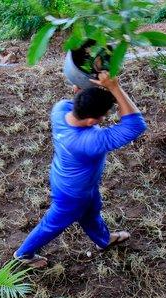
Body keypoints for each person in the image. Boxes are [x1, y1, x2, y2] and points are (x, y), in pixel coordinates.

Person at [13, 71, 147, 269]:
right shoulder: (90, 141)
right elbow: (136, 125)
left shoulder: (60, 110)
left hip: (71, 180)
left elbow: (81, 96)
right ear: (93, 121)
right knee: (52, 224)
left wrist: (92, 85)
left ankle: (103, 239)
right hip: (72, 194)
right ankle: (23, 254)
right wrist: (114, 87)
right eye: (104, 116)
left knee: (92, 210)